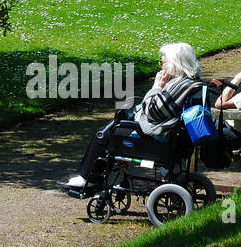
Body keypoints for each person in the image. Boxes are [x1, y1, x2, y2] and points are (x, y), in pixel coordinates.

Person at [61, 42, 201, 195]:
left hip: (157, 137)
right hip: (169, 135)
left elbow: (151, 111)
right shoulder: (191, 83)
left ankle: (86, 178)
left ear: (175, 63)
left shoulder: (177, 85)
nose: (161, 66)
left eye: (163, 62)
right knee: (112, 127)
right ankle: (93, 179)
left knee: (103, 135)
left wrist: (156, 86)